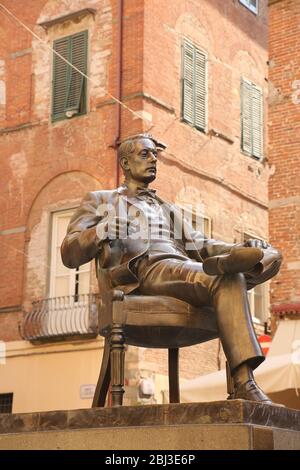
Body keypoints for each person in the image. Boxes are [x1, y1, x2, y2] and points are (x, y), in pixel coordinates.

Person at [61, 134, 282, 403]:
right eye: (145, 154)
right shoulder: (101, 200)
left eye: (155, 154)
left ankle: (243, 265)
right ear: (126, 163)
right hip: (143, 271)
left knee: (230, 275)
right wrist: (100, 230)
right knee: (224, 277)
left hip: (179, 268)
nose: (154, 159)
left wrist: (243, 247)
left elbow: (203, 244)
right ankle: (244, 382)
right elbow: (69, 253)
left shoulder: (167, 209)